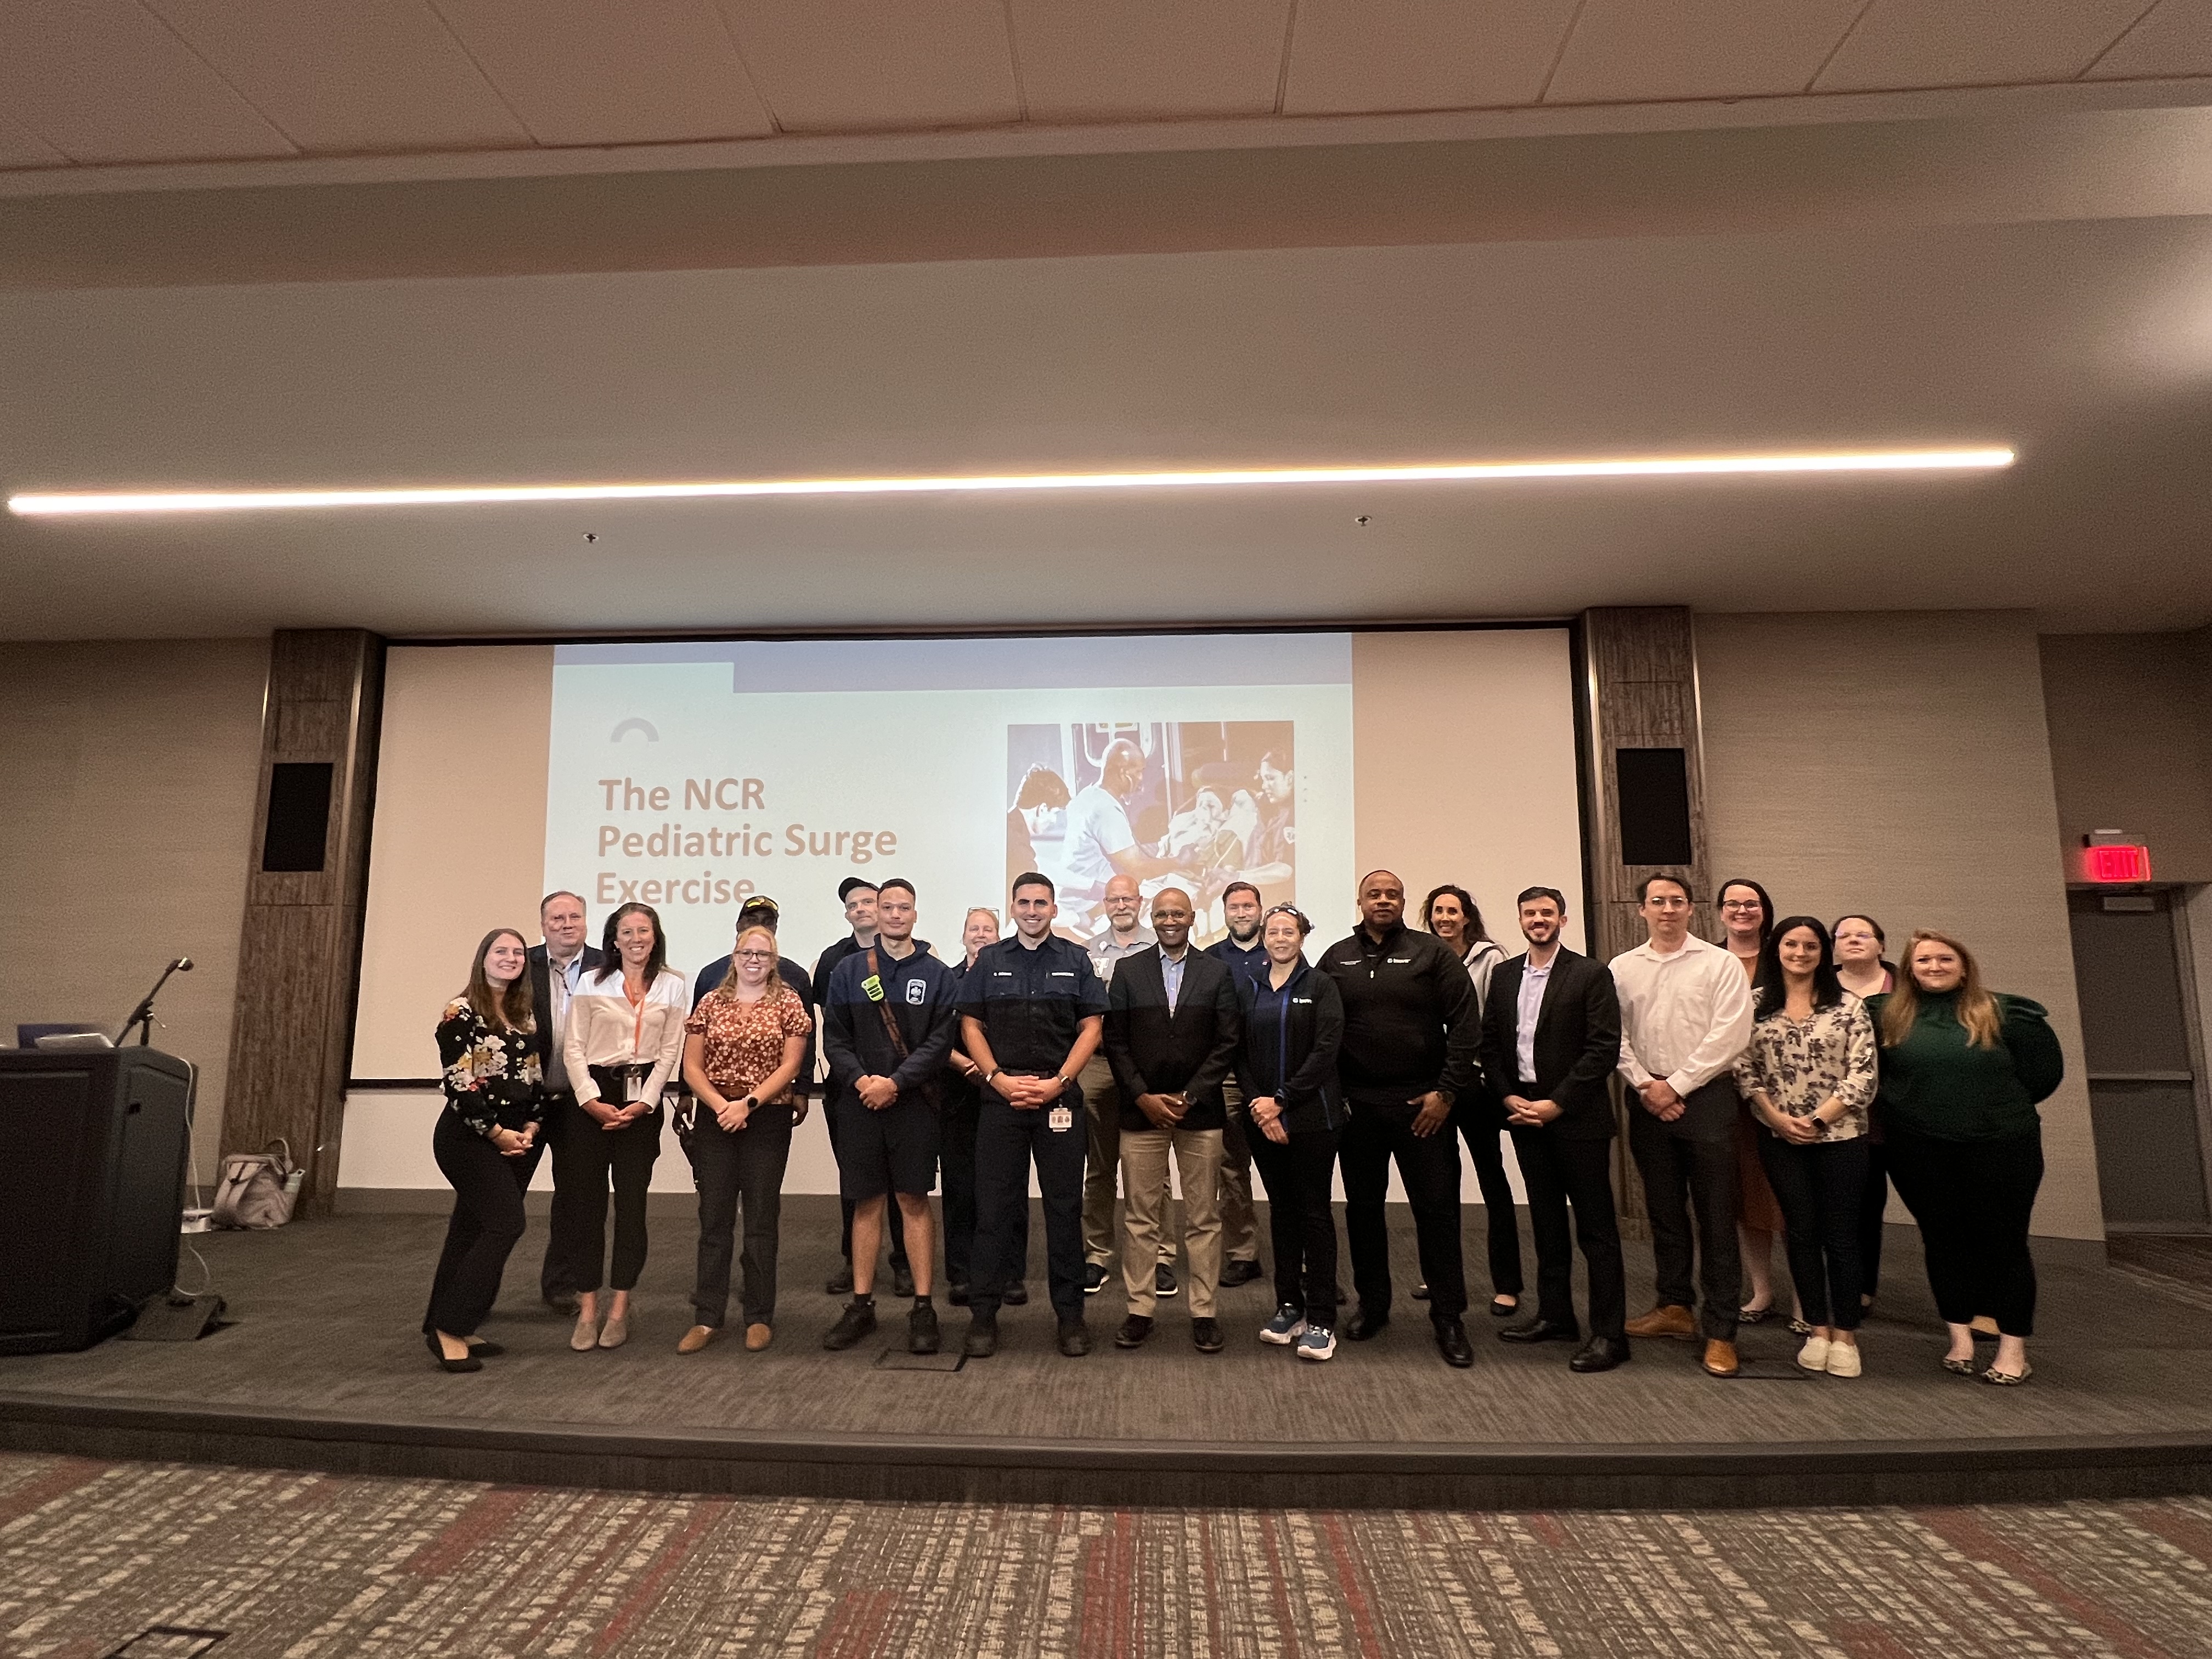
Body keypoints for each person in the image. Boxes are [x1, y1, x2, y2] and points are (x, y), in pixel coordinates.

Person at [1870, 931, 2063, 1386]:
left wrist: (1987, 1108)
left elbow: (2043, 1075)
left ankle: (2014, 1349)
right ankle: (1960, 1339)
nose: (1934, 967)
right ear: (1909, 969)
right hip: (1918, 1148)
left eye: (1944, 958)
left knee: (2005, 1242)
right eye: (1923, 961)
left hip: (2002, 1145)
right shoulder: (1887, 1015)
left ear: (1963, 964)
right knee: (1942, 1239)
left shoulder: (2006, 1013)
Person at [1323, 869, 1482, 1369]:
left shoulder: (1431, 953)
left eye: (1393, 894)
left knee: (1437, 1212)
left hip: (1424, 1109)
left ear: (1403, 902)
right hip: (1359, 1109)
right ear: (1361, 901)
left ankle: (1449, 1316)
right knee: (1364, 1211)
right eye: (1375, 894)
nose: (1384, 901)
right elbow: (1321, 1031)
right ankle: (1374, 1306)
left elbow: (1465, 1024)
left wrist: (1446, 1093)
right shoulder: (1336, 958)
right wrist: (1336, 1096)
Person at [958, 872, 1109, 1359]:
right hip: (1001, 1098)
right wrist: (997, 1079)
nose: (1031, 910)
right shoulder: (991, 960)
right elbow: (970, 1024)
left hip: (1059, 1097)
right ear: (1013, 907)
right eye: (1023, 902)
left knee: (1065, 1212)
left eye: (1040, 902)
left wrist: (1059, 1083)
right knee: (994, 1211)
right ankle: (983, 1316)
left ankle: (1070, 1318)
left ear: (1053, 908)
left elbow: (1091, 1028)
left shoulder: (1075, 959)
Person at [1480, 888, 1629, 1373]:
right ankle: (1556, 1315)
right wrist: (1507, 1097)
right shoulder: (1504, 976)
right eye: (1530, 913)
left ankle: (1610, 1334)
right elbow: (1492, 1045)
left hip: (1577, 1119)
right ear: (1520, 919)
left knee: (1597, 1230)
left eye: (1547, 913)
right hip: (1524, 1116)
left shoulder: (1590, 974)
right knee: (1546, 1223)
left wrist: (1557, 1104)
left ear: (1562, 919)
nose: (1538, 920)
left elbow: (1603, 1048)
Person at [1613, 875, 1756, 1378]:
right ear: (1642, 910)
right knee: (1664, 1211)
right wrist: (1647, 1085)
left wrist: (1676, 1085)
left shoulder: (1719, 964)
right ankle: (1674, 1308)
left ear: (1691, 909)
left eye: (1676, 901)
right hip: (1647, 1098)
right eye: (1658, 901)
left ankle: (1720, 1331)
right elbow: (1615, 1035)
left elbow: (1732, 1034)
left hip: (1707, 1097)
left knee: (1717, 1217)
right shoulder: (1622, 967)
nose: (1667, 909)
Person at [1734, 917, 1879, 1378]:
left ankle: (1846, 1335)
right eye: (1791, 945)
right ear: (1777, 950)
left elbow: (1865, 1074)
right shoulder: (1754, 1005)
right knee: (1800, 1232)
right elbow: (1743, 1067)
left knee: (1841, 1236)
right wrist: (1776, 1118)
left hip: (1841, 1138)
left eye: (1811, 945)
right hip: (1779, 1137)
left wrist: (1819, 1119)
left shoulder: (1849, 1006)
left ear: (1823, 953)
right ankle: (1817, 1328)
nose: (1800, 953)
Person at [820, 879, 961, 1356]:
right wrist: (864, 1082)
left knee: (914, 1200)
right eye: (887, 907)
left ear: (916, 915)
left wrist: (895, 1083)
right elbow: (834, 1039)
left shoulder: (940, 974)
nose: (896, 914)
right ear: (875, 913)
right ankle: (862, 1304)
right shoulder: (847, 971)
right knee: (866, 1203)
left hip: (915, 1105)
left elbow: (941, 1043)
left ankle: (923, 1305)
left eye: (904, 907)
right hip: (860, 1103)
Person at [1104, 887, 1243, 1352]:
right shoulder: (1128, 971)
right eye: (1161, 913)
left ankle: (1203, 1311)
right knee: (1142, 1217)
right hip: (1140, 1112)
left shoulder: (1217, 972)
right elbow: (1116, 1042)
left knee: (1204, 1217)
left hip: (1199, 1112)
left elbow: (1228, 1041)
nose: (1169, 921)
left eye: (1178, 914)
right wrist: (1142, 1096)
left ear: (1192, 918)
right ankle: (1139, 1309)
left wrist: (1191, 1094)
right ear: (1153, 916)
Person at [558, 901, 688, 1353]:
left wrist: (646, 1102)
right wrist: (590, 1099)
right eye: (627, 931)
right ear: (613, 939)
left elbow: (670, 1052)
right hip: (591, 1103)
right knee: (586, 1207)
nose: (636, 939)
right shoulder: (592, 982)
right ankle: (589, 1308)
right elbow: (573, 1048)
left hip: (640, 1107)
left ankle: (620, 1308)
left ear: (656, 937)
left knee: (631, 1207)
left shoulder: (673, 986)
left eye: (644, 931)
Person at [675, 922, 810, 1354]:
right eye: (746, 954)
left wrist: (747, 1105)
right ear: (734, 958)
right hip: (717, 1117)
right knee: (713, 1219)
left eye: (763, 955)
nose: (754, 961)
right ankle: (707, 1317)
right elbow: (692, 1067)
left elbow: (791, 1066)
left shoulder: (789, 1003)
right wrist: (720, 1107)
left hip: (766, 1118)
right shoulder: (711, 1002)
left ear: (775, 961)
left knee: (760, 1220)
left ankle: (758, 1316)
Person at [424, 928, 545, 1372]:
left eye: (517, 952)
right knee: (506, 1224)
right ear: (484, 959)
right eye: (501, 951)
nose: (511, 958)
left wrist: (531, 1125)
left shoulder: (523, 1015)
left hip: (515, 1138)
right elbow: (459, 1082)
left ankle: (453, 1321)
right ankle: (449, 1327)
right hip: (467, 1137)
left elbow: (533, 1078)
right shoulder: (461, 1011)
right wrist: (496, 1133)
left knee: (469, 1231)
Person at [1239, 903, 1346, 1361]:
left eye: (1290, 931)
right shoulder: (1250, 987)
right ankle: (1289, 1306)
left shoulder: (1321, 985)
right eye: (1273, 931)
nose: (1281, 938)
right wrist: (1262, 1109)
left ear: (1303, 936)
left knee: (1314, 1214)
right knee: (1282, 1213)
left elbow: (1326, 1051)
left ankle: (1321, 1317)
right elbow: (1238, 1052)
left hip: (1312, 1119)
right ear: (1264, 937)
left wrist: (1282, 1099)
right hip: (1263, 1118)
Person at [1420, 883, 1520, 1319]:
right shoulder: (1422, 956)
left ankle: (1508, 1284)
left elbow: (1495, 1021)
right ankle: (1442, 1277)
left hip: (1475, 1085)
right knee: (1437, 1189)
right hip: (1435, 1088)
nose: (1445, 918)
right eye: (1438, 911)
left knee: (1493, 1182)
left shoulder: (1490, 957)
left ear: (1466, 917)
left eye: (1452, 911)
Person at [811, 878, 913, 1299]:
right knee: (856, 1178)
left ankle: (903, 1262)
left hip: (903, 1086)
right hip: (849, 1087)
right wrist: (859, 1078)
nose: (862, 910)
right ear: (847, 914)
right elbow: (832, 1025)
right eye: (852, 905)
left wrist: (894, 1080)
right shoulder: (833, 960)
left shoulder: (915, 955)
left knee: (904, 1181)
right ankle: (855, 1262)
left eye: (869, 902)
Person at [1079, 873, 1162, 1299]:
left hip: (1147, 1070)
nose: (1121, 905)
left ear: (1140, 901)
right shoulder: (1088, 952)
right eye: (1114, 899)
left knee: (1153, 1169)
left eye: (1128, 898)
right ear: (1105, 904)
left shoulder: (1160, 947)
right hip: (1096, 1067)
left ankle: (1161, 1257)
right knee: (1099, 1166)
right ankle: (1096, 1255)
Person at [940, 907, 1029, 1307]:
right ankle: (962, 1274)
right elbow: (936, 1034)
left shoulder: (1014, 974)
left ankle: (1011, 1273)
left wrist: (996, 1074)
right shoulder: (948, 979)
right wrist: (967, 1065)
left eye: (988, 929)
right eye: (973, 928)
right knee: (961, 1187)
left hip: (1008, 1093)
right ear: (963, 937)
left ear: (999, 935)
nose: (980, 934)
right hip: (960, 1095)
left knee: (1010, 1186)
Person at [1716, 877, 1791, 1327]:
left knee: (1792, 1196)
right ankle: (1762, 1291)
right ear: (1721, 912)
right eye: (1733, 904)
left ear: (1765, 910)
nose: (1742, 911)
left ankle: (1807, 1297)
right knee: (1749, 1199)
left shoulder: (1786, 955)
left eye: (1752, 904)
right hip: (1726, 1091)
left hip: (1784, 1094)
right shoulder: (1706, 958)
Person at [528, 891, 602, 1313]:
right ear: (543, 925)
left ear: (587, 923)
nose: (566, 924)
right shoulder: (523, 965)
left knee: (575, 1196)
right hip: (526, 1103)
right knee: (504, 1196)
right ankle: (477, 1288)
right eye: (557, 918)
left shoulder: (604, 966)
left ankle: (561, 1285)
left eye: (574, 916)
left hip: (581, 1100)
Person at [1205, 880, 1267, 1288]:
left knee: (1288, 1168)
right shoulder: (1210, 960)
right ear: (1224, 913)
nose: (1242, 913)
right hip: (1227, 1077)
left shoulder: (1283, 950)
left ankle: (1302, 1256)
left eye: (1248, 906)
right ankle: (1243, 1253)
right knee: (1231, 1168)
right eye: (1234, 907)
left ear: (1260, 910)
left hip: (1273, 1075)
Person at [1834, 913, 1898, 1310]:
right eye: (1844, 935)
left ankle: (1970, 1305)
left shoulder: (1908, 987)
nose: (1854, 940)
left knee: (1942, 1211)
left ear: (1882, 945)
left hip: (1901, 1112)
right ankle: (1860, 1288)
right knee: (1861, 1207)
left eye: (1864, 934)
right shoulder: (1818, 988)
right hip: (1844, 1115)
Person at [1062, 738, 1180, 908]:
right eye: (1138, 772)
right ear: (1123, 772)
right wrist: (1180, 861)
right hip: (1093, 900)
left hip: (1081, 892)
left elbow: (1125, 850)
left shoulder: (1088, 795)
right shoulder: (1105, 808)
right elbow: (1138, 867)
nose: (1141, 779)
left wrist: (1163, 846)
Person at [1007, 765, 1070, 891]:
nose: (1055, 822)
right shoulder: (1017, 846)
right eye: (1056, 814)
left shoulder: (1008, 826)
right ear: (1043, 809)